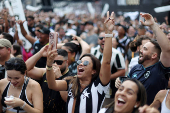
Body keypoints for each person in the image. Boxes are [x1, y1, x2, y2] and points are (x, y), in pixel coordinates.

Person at [46, 11, 114, 113]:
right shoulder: (71, 82)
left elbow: (106, 62)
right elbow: (52, 85)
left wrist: (108, 33)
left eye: (86, 63)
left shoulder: (99, 86)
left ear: (93, 71)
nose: (81, 64)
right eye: (79, 62)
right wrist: (49, 65)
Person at [126, 13, 170, 105]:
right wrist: (120, 81)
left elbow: (166, 49)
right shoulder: (135, 68)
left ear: (154, 56)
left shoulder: (160, 69)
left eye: (145, 49)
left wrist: (153, 25)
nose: (140, 51)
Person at [26, 47, 74, 113]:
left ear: (67, 63)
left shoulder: (71, 77)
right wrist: (40, 54)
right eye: (53, 62)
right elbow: (25, 70)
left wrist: (59, 77)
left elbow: (66, 98)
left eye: (59, 62)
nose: (55, 65)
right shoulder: (45, 71)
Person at [91, 31, 125, 105]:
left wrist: (107, 77)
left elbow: (122, 71)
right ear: (98, 40)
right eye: (101, 38)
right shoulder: (93, 51)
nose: (103, 39)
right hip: (93, 86)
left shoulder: (116, 54)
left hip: (110, 89)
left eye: (106, 38)